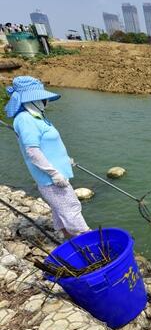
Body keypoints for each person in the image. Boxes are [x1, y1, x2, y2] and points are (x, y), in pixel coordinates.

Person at [4, 76, 89, 238]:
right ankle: (87, 242)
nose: (45, 101)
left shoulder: (37, 116)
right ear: (30, 100)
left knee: (60, 210)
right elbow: (33, 152)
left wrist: (65, 160)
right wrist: (54, 173)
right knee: (71, 208)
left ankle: (69, 240)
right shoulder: (25, 119)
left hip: (57, 173)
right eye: (41, 98)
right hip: (50, 178)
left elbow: (48, 145)